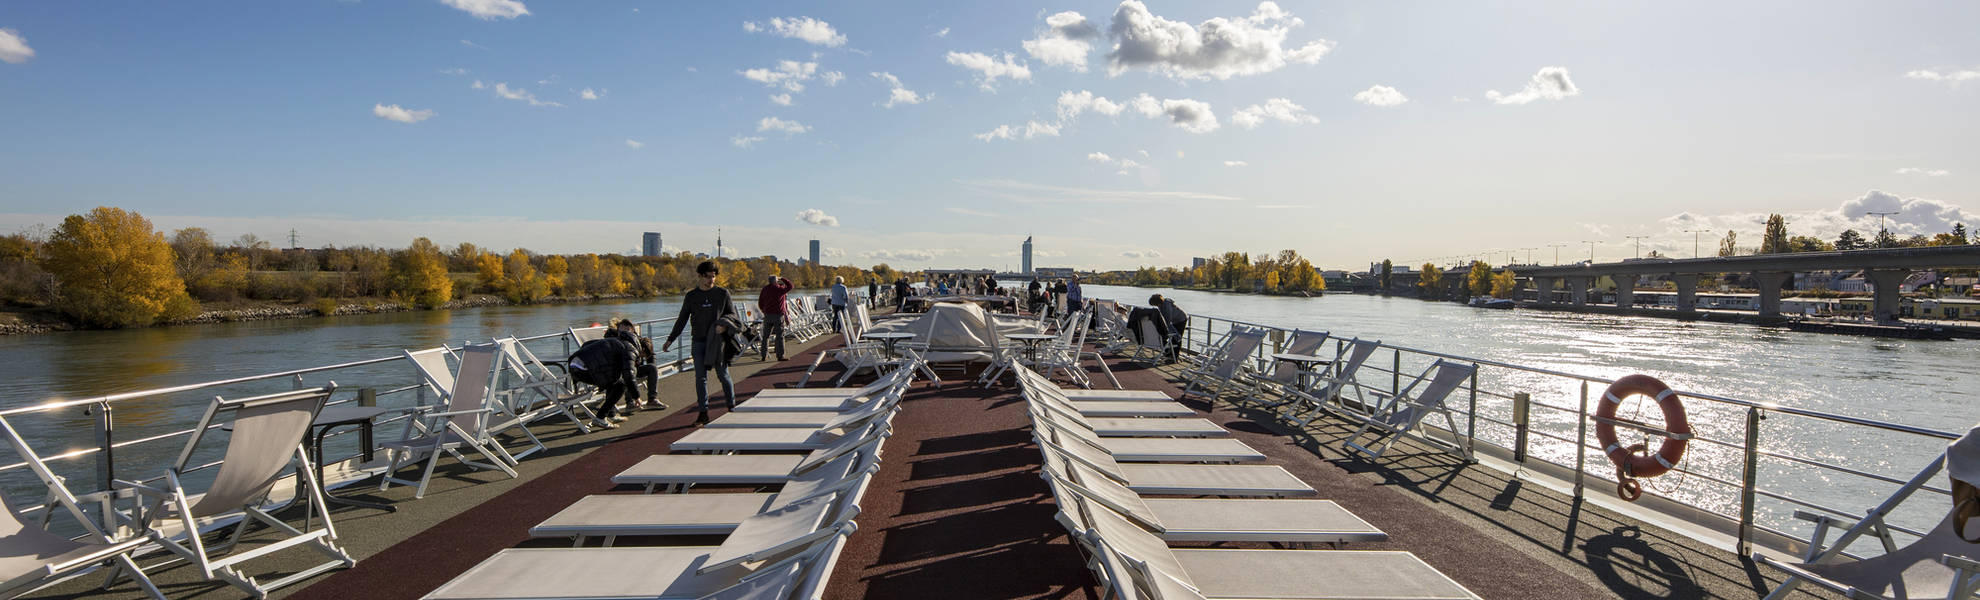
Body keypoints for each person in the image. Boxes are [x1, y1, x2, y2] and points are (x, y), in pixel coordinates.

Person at [662, 261, 738, 426]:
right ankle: (703, 414)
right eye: (708, 277)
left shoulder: (723, 294)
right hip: (698, 342)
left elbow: (733, 314)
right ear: (699, 276)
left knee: (723, 376)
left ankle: (732, 407)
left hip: (717, 342)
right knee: (700, 378)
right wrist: (670, 339)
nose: (711, 280)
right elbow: (682, 319)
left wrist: (725, 326)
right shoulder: (691, 296)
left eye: (713, 276)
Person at [567, 326, 638, 428]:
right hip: (582, 370)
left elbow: (586, 345)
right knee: (621, 385)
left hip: (575, 366)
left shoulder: (612, 341)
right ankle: (600, 417)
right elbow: (629, 374)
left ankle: (611, 414)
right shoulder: (628, 348)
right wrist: (636, 396)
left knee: (613, 378)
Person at [614, 319, 667, 410]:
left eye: (627, 332)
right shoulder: (614, 342)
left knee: (652, 368)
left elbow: (651, 352)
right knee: (628, 372)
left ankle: (652, 399)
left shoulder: (637, 340)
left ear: (633, 332)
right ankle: (630, 402)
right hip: (620, 371)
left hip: (635, 368)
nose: (624, 334)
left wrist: (649, 360)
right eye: (621, 332)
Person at [759, 275, 792, 361]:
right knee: (779, 335)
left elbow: (760, 302)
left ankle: (764, 355)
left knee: (766, 336)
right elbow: (790, 286)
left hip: (768, 315)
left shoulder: (765, 289)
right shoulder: (780, 289)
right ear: (776, 281)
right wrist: (783, 278)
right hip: (778, 314)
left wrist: (764, 311)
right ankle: (780, 355)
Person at [1152, 294, 1189, 361]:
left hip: (1181, 319)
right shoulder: (1161, 306)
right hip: (1174, 320)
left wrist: (1165, 326)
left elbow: (1168, 316)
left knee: (1177, 337)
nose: (1156, 306)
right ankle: (1169, 353)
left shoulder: (1167, 305)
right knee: (1170, 337)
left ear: (1158, 302)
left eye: (1156, 305)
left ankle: (1175, 356)